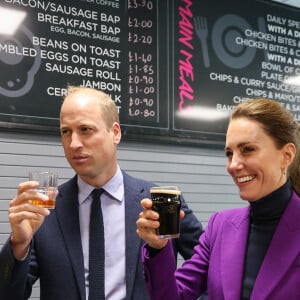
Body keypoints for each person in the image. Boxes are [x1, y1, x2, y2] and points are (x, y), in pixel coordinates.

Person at [0, 86, 203, 300]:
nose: (73, 143)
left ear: (115, 133)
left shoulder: (160, 202)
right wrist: (19, 243)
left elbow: (210, 268)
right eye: (65, 131)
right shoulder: (45, 208)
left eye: (85, 129)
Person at [137, 97, 300, 300]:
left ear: (286, 155)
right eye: (229, 153)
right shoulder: (220, 226)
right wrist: (157, 247)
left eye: (247, 150)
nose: (233, 165)